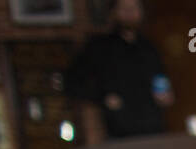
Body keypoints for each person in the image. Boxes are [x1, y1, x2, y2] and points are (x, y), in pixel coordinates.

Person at [66, 0, 173, 140]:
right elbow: (73, 82)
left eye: (134, 8)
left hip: (153, 129)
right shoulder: (99, 47)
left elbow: (160, 80)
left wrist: (166, 95)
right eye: (124, 8)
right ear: (114, 12)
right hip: (117, 132)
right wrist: (103, 98)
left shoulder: (150, 48)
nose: (130, 13)